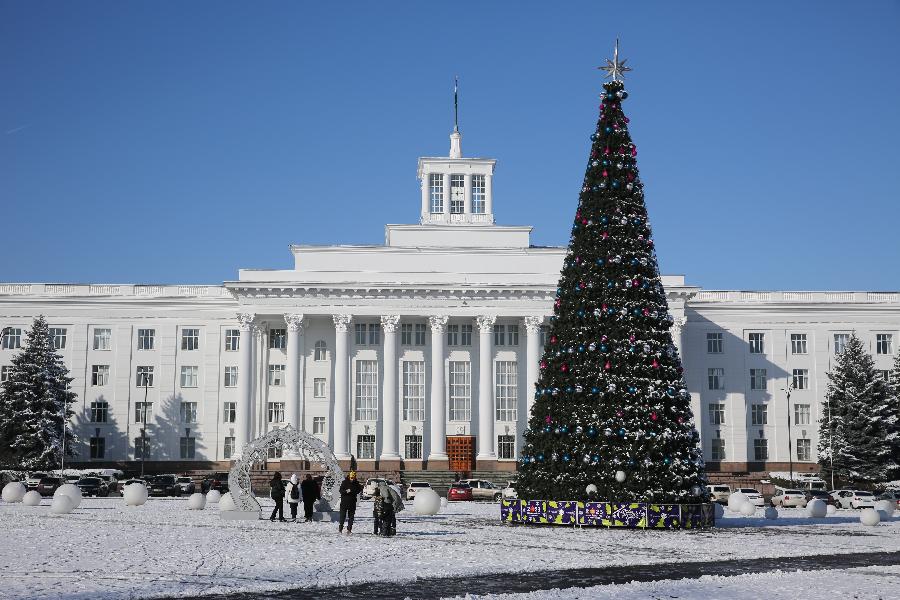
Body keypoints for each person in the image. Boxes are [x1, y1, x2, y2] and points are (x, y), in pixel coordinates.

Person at [338, 470, 363, 535]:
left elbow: (358, 490)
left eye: (353, 478)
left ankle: (349, 529)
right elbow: (340, 491)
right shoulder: (344, 482)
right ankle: (340, 529)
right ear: (349, 476)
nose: (352, 479)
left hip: (352, 503)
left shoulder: (356, 483)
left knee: (351, 517)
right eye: (351, 478)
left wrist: (353, 490)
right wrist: (346, 491)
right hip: (344, 503)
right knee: (342, 517)